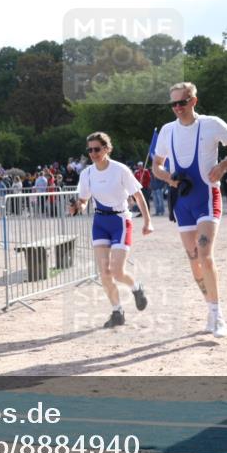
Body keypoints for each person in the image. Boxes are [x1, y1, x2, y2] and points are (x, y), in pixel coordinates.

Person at [151, 82, 227, 337]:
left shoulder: (210, 123)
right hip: (183, 202)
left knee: (205, 255)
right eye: (173, 104)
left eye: (182, 102)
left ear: (194, 101)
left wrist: (223, 166)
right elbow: (156, 166)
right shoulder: (167, 131)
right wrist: (168, 178)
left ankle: (217, 316)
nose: (177, 108)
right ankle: (210, 308)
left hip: (207, 196)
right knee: (194, 261)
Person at [70, 132, 152, 327]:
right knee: (104, 273)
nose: (93, 153)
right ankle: (117, 312)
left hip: (120, 220)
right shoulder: (87, 173)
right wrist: (77, 208)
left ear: (107, 149)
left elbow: (138, 196)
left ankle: (136, 287)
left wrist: (148, 222)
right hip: (100, 222)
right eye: (90, 150)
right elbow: (83, 201)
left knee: (116, 271)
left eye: (97, 149)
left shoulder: (120, 170)